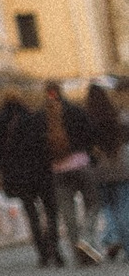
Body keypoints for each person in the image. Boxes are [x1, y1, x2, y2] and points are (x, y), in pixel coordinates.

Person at [0, 85, 65, 267]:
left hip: (18, 176)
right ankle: (56, 249)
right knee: (50, 211)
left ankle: (42, 253)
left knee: (31, 213)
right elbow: (47, 142)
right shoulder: (34, 117)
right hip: (42, 171)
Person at [45, 81, 106, 266]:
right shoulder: (75, 111)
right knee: (93, 203)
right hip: (81, 164)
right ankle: (86, 238)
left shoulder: (43, 116)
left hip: (58, 169)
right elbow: (92, 133)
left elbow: (35, 147)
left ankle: (77, 253)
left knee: (68, 212)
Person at [81, 77, 129, 262]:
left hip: (99, 170)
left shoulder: (86, 119)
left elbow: (84, 144)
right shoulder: (118, 115)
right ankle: (126, 245)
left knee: (107, 208)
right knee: (124, 208)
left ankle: (112, 238)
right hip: (121, 167)